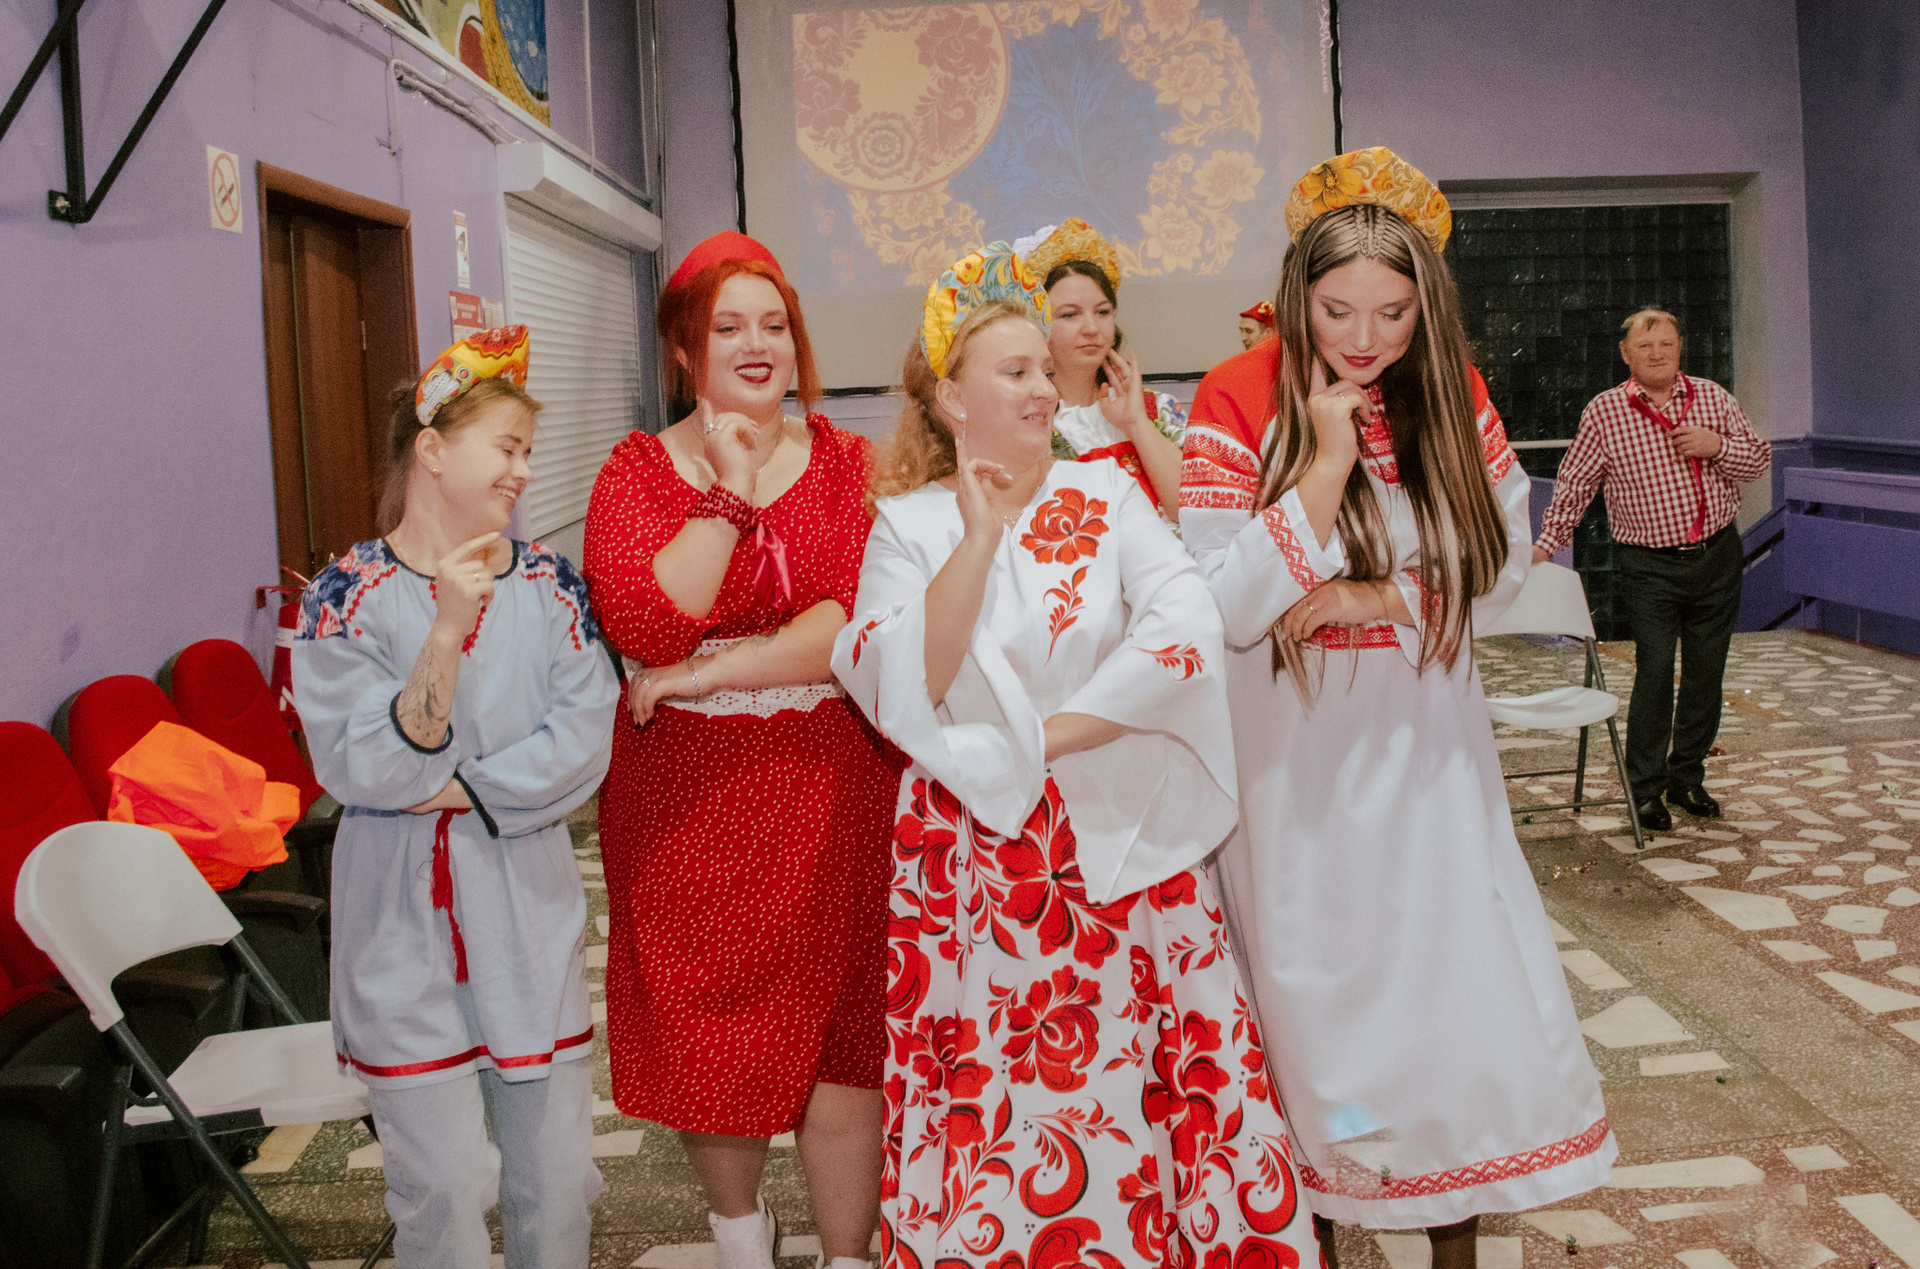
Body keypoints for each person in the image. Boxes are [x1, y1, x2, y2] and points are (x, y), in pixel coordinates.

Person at [833, 242, 1316, 1269]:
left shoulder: (1107, 497)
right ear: (951, 397)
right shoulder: (909, 527)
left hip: (1118, 843)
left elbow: (1184, 629)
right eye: (1016, 371)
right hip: (973, 861)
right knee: (1005, 1084)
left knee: (1141, 1075)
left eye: (1044, 371)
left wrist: (1038, 740)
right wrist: (976, 539)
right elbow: (902, 678)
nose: (1045, 390)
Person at [1180, 149, 1613, 1267]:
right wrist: (1324, 468)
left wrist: (1375, 594)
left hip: (1427, 749)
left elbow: (1500, 558)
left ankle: (1452, 1235)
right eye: (1337, 312)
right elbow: (1222, 604)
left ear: (1428, 304)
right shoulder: (1238, 394)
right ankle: (1321, 1228)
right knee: (1313, 1003)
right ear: (1297, 293)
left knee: (1447, 990)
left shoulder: (1452, 388)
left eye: (1393, 313)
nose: (1365, 338)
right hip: (1295, 761)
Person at [582, 231, 899, 1269]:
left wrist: (707, 672)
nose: (758, 345)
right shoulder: (635, 471)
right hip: (688, 799)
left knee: (844, 1028)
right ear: (684, 349)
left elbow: (853, 617)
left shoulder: (849, 463)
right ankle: (738, 1238)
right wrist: (727, 488)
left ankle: (847, 1253)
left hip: (835, 781)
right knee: (710, 1032)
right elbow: (647, 621)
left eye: (775, 325)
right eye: (729, 328)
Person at [293, 325, 618, 1268]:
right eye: (507, 447)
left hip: (527, 921)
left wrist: (448, 787)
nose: (524, 471)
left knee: (557, 1178)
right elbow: (361, 768)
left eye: (528, 450)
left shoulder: (552, 587)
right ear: (433, 450)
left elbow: (582, 744)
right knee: (437, 1191)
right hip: (399, 934)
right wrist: (444, 629)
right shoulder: (344, 596)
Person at [1532, 309, 1771, 831]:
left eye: (1666, 344)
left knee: (1706, 674)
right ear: (1626, 355)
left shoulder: (1714, 398)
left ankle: (1687, 778)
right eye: (1645, 346)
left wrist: (1716, 446)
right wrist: (1546, 545)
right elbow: (1575, 484)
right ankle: (1645, 791)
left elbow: (1757, 461)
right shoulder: (1605, 412)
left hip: (1716, 556)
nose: (1657, 354)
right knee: (1656, 671)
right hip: (1649, 566)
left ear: (1680, 347)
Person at [1013, 218, 1187, 514]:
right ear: (1036, 325)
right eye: (1069, 315)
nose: (1092, 328)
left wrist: (1136, 422)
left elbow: (1190, 512)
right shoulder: (1023, 421)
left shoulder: (1158, 409)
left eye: (1103, 312)